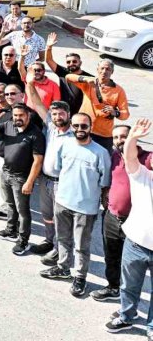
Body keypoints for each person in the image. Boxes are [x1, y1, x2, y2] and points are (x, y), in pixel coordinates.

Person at [39, 112, 111, 298]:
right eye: (76, 126)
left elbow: (105, 183)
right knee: (62, 239)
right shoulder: (64, 145)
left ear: (91, 127)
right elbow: (58, 168)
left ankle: (80, 277)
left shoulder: (101, 153)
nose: (80, 129)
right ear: (72, 126)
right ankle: (63, 267)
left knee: (81, 246)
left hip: (85, 209)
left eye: (84, 126)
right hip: (62, 201)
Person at [103, 118, 153, 336]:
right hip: (136, 242)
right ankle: (126, 317)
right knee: (129, 287)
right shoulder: (142, 175)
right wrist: (132, 136)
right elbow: (130, 155)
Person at [26, 72, 74, 265]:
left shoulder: (75, 134)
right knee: (47, 215)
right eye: (54, 113)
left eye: (61, 113)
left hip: (61, 183)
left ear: (68, 115)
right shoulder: (51, 126)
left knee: (60, 217)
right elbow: (37, 103)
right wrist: (30, 84)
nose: (57, 116)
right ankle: (49, 240)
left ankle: (58, 249)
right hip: (45, 179)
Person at [0, 102, 45, 256]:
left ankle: (23, 241)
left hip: (21, 178)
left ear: (28, 116)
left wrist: (30, 182)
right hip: (6, 172)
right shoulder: (8, 125)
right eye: (15, 115)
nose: (18, 118)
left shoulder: (36, 134)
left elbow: (38, 161)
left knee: (23, 211)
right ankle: (11, 230)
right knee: (10, 205)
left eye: (21, 115)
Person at [66, 59, 129, 152]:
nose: (104, 71)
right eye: (102, 68)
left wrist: (115, 112)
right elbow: (68, 77)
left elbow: (125, 114)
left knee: (103, 161)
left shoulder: (119, 90)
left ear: (112, 72)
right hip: (83, 128)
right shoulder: (89, 83)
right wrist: (85, 79)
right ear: (97, 70)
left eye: (108, 69)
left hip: (103, 134)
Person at [43, 32, 90, 116]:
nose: (71, 63)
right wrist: (49, 47)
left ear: (80, 62)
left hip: (80, 113)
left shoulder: (88, 77)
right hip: (63, 112)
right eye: (68, 62)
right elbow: (49, 60)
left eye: (74, 61)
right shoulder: (63, 72)